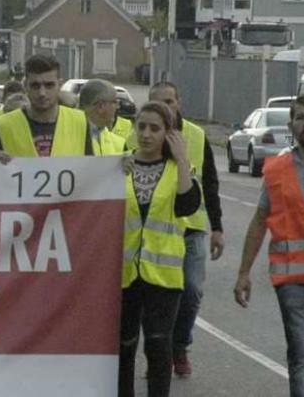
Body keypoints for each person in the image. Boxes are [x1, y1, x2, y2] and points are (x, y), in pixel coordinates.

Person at [119, 101, 201, 397]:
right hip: (124, 274)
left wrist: (180, 159)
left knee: (157, 345)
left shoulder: (180, 169)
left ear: (168, 133)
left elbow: (187, 206)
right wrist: (114, 169)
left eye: (155, 128)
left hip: (163, 278)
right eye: (141, 126)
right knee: (123, 346)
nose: (146, 134)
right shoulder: (120, 164)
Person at [147, 81, 224, 377]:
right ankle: (159, 352)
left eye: (170, 100)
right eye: (158, 101)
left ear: (178, 102)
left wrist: (216, 227)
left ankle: (179, 345)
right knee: (157, 299)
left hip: (191, 228)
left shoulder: (196, 135)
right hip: (154, 230)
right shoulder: (138, 133)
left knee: (191, 291)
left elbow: (211, 183)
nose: (166, 107)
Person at [235, 94, 304, 397]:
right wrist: (243, 273)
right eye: (301, 117)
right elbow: (259, 221)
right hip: (291, 280)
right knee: (301, 353)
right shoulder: (278, 169)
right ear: (291, 125)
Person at [0, 54, 91, 157]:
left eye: (49, 85)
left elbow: (91, 167)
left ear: (59, 85)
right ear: (25, 86)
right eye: (35, 86)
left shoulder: (80, 121)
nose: (42, 93)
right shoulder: (4, 125)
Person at [78, 79, 126, 156]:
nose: (118, 107)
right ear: (101, 106)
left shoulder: (117, 142)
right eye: (115, 102)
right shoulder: (69, 135)